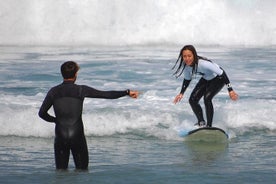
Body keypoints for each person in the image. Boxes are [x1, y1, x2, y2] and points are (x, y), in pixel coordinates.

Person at [38, 61, 139, 170]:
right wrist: (126, 92)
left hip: (60, 134)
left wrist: (56, 120)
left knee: (61, 173)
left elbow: (42, 113)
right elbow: (106, 95)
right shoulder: (81, 90)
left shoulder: (53, 91)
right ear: (76, 74)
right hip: (77, 134)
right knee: (82, 171)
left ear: (62, 74)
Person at [173, 45, 238, 127]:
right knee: (192, 100)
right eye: (185, 56)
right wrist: (181, 93)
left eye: (189, 56)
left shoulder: (203, 64)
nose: (187, 58)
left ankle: (209, 126)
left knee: (207, 98)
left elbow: (222, 73)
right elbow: (187, 79)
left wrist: (230, 90)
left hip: (218, 78)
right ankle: (201, 122)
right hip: (206, 78)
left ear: (194, 55)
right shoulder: (186, 65)